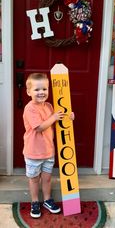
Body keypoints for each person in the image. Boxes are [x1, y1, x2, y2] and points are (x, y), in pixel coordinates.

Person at [23, 73, 74, 218]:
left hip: (48, 151)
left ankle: (47, 199)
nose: (41, 92)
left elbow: (57, 120)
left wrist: (68, 117)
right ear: (28, 92)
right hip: (33, 152)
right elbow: (39, 127)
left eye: (44, 89)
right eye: (37, 90)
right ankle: (34, 201)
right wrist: (53, 117)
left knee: (46, 178)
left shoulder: (49, 106)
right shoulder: (30, 108)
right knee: (34, 179)